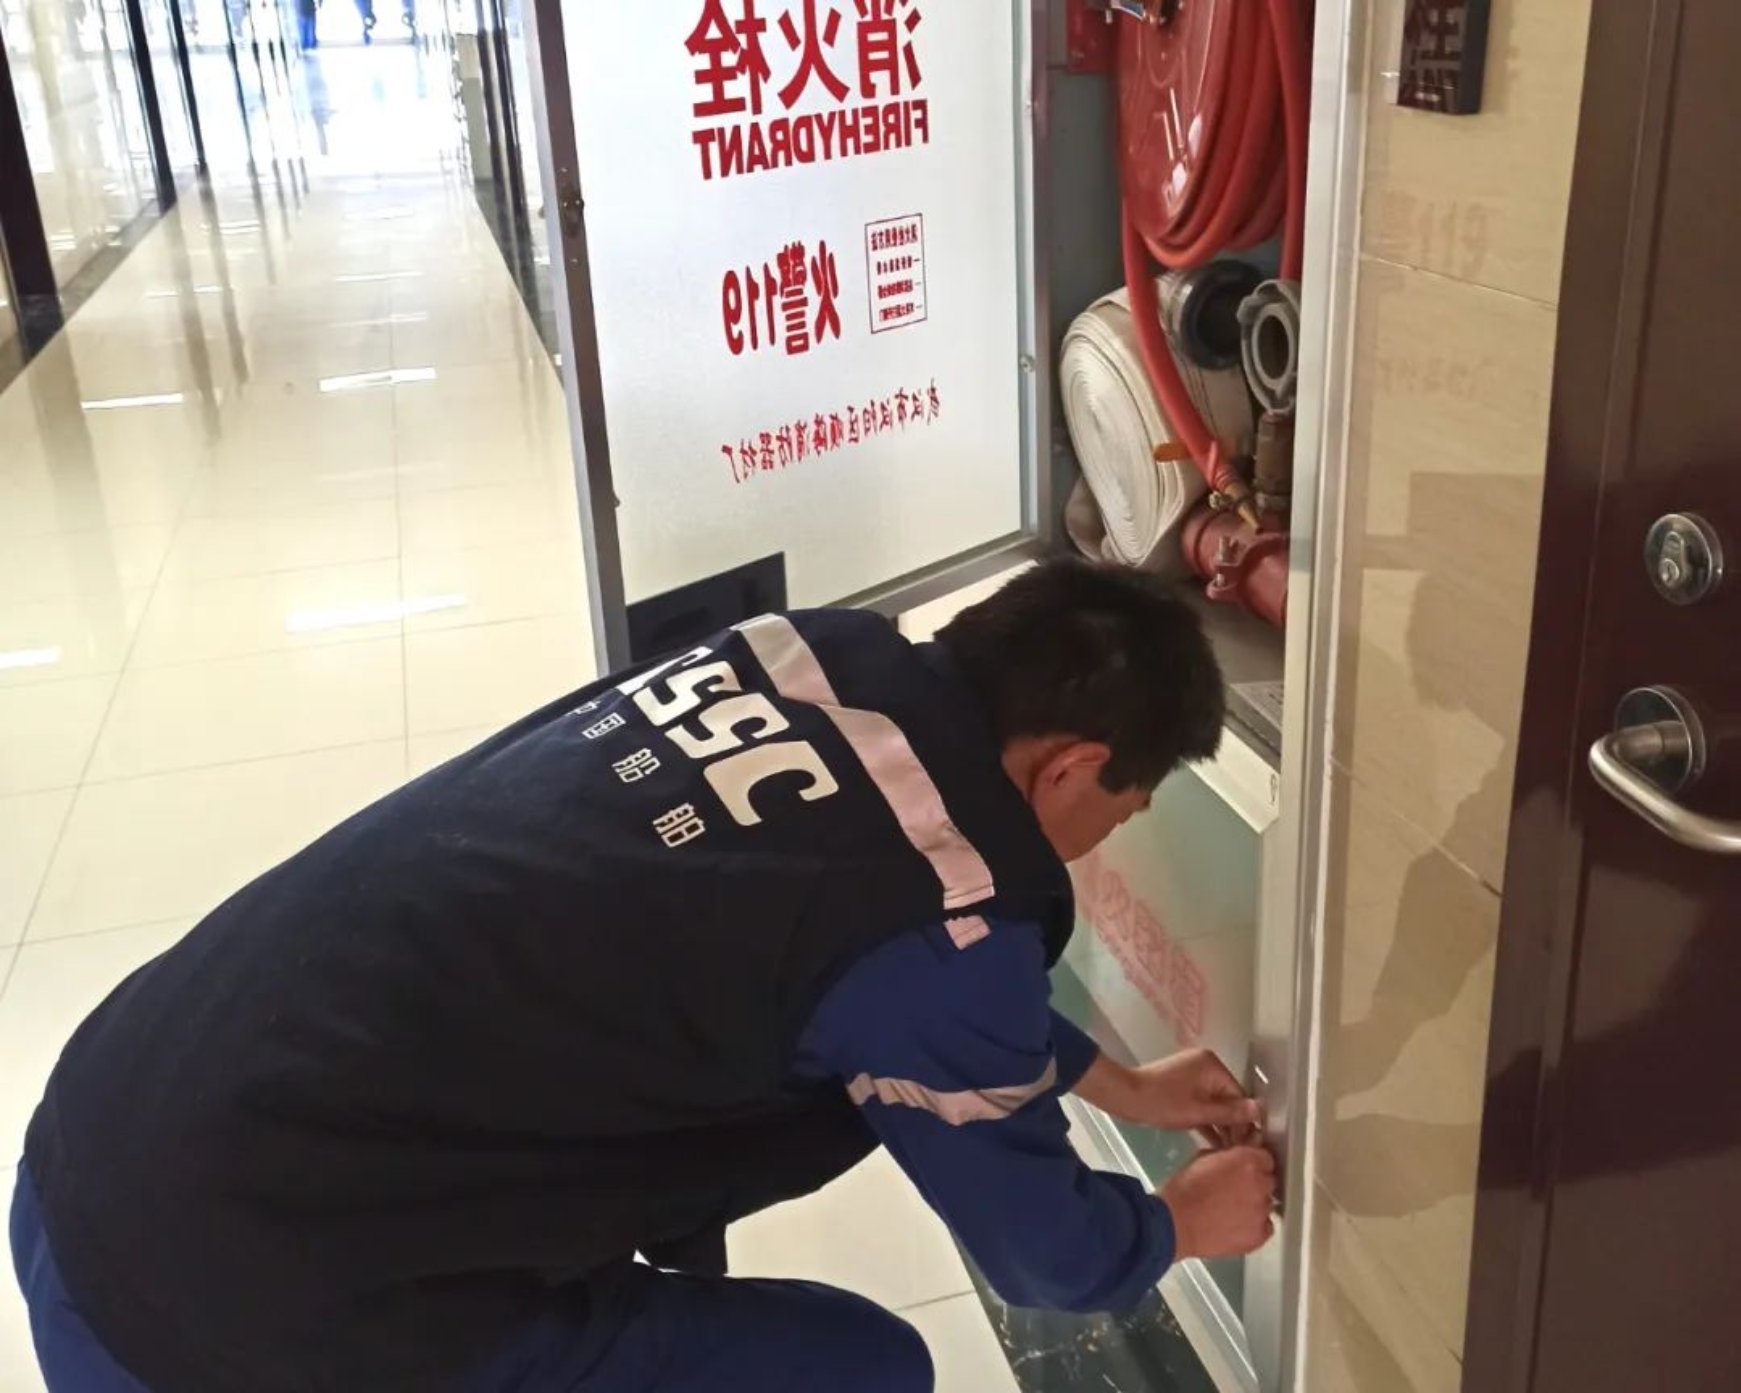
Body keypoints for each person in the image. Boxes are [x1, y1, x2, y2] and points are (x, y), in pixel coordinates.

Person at [9, 559, 1277, 1393]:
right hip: (226, 1329)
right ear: (1071, 767)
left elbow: (841, 957)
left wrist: (1120, 1084)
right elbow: (1049, 1256)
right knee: (855, 1373)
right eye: (1114, 815)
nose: (1092, 844)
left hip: (95, 1147)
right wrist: (1179, 1223)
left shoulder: (805, 655)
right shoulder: (944, 930)